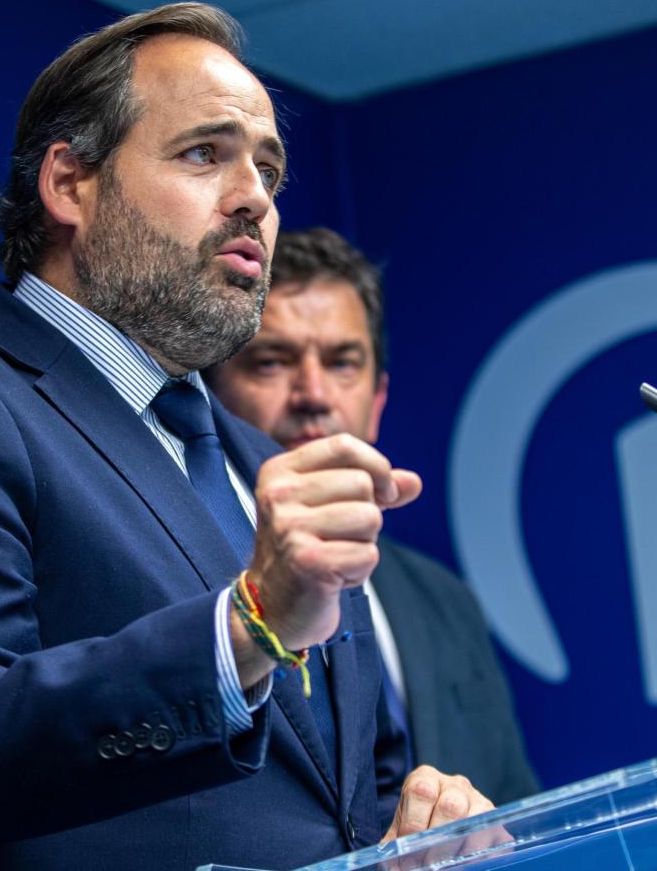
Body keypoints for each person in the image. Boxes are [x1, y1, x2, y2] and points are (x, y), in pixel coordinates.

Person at [0, 2, 494, 870]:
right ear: (69, 184)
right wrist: (246, 628)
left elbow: (343, 805)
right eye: (205, 155)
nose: (255, 200)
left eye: (268, 169)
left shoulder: (265, 471)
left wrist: (418, 832)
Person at [206, 227, 541, 804]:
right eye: (271, 361)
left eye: (342, 363)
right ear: (210, 393)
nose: (313, 393)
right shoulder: (186, 583)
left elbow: (517, 809)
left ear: (377, 400)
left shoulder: (443, 601)